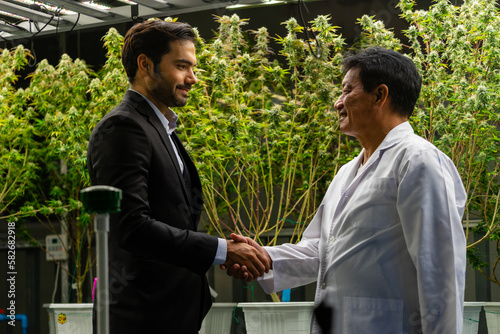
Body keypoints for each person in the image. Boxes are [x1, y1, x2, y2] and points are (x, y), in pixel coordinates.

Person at [226, 47, 467, 333]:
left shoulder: (418, 160)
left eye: (346, 91)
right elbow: (322, 250)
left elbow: (439, 267)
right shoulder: (347, 172)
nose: (338, 103)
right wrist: (264, 257)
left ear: (380, 95)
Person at [87, 20, 270, 334]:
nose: (193, 78)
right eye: (182, 66)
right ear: (145, 64)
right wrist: (222, 250)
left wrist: (224, 253)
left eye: (193, 67)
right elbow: (132, 227)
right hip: (141, 320)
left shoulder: (160, 128)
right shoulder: (123, 127)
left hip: (172, 315)